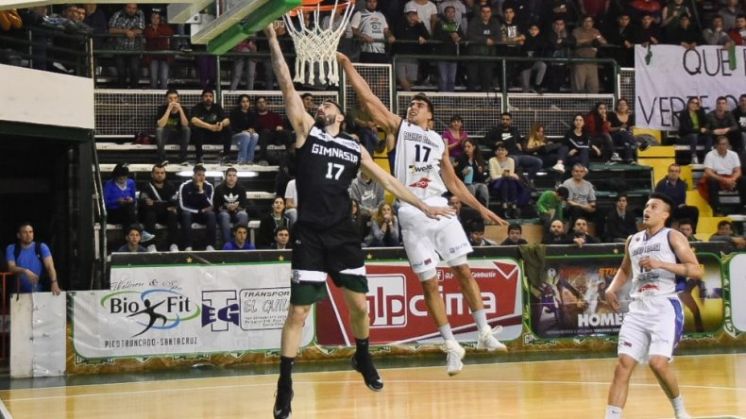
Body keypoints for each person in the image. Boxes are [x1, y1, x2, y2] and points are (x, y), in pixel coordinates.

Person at [264, 24, 453, 419]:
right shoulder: (307, 135)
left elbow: (387, 181)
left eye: (329, 107)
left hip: (343, 234)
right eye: (320, 107)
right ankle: (285, 383)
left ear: (341, 116)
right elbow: (286, 85)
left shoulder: (353, 147)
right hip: (311, 235)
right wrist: (272, 40)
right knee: (297, 313)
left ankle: (362, 357)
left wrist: (426, 206)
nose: (322, 108)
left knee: (361, 310)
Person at [339, 53, 510, 378]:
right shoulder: (399, 128)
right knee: (429, 285)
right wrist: (349, 66)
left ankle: (484, 333)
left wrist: (482, 207)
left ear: (430, 114)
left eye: (419, 104)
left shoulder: (438, 141)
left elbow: (454, 183)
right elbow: (370, 99)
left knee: (464, 273)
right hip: (412, 211)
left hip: (441, 208)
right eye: (411, 103)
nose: (413, 106)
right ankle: (451, 345)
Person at [604, 193, 703, 419]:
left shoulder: (673, 236)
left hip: (664, 306)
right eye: (647, 206)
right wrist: (611, 289)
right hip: (637, 308)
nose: (647, 210)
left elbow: (696, 270)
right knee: (623, 365)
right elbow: (625, 269)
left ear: (665, 215)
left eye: (654, 207)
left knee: (657, 363)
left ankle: (680, 410)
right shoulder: (633, 240)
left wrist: (661, 264)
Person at [484, 112, 543, 182]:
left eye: (507, 119)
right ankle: (519, 180)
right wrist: (495, 143)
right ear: (500, 120)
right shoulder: (494, 130)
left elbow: (520, 140)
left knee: (538, 162)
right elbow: (486, 141)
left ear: (511, 121)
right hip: (506, 156)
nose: (505, 121)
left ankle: (527, 180)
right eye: (503, 119)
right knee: (514, 161)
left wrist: (520, 143)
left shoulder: (514, 130)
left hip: (519, 154)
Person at [6, 223, 62, 295]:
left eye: (30, 232)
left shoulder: (41, 247)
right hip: (18, 294)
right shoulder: (11, 248)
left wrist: (54, 282)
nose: (28, 235)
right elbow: (11, 268)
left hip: (40, 292)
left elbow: (50, 267)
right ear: (18, 235)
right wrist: (25, 271)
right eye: (25, 232)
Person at [139, 163, 179, 252]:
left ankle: (173, 244)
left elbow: (173, 203)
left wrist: (155, 204)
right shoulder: (146, 186)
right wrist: (165, 205)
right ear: (152, 174)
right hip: (151, 214)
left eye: (162, 173)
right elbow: (145, 204)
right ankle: (150, 244)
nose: (160, 175)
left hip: (165, 215)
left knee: (172, 214)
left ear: (165, 174)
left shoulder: (170, 186)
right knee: (150, 214)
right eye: (157, 173)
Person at [701, 136, 746, 215]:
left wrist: (733, 179)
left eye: (725, 144)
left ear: (728, 145)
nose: (723, 146)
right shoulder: (710, 155)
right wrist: (723, 180)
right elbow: (708, 172)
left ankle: (742, 207)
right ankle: (716, 209)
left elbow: (738, 171)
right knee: (711, 181)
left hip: (731, 178)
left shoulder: (733, 154)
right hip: (717, 179)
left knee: (743, 180)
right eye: (721, 144)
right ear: (716, 145)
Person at [178, 164, 216, 251]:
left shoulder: (209, 186)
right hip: (190, 214)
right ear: (193, 176)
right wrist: (199, 211)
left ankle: (210, 246)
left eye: (203, 175)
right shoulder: (184, 186)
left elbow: (210, 205)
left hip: (203, 215)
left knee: (211, 214)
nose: (201, 178)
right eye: (199, 175)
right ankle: (188, 246)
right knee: (186, 214)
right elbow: (182, 206)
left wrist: (201, 191)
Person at [393, 5, 430, 91]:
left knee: (411, 80)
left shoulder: (419, 26)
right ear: (406, 16)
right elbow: (400, 35)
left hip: (413, 56)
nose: (412, 17)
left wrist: (420, 23)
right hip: (400, 56)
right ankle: (410, 97)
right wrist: (417, 38)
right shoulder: (400, 24)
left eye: (414, 15)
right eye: (410, 15)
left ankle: (407, 98)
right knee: (402, 79)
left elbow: (427, 37)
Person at [655, 163, 699, 233]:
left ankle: (691, 232)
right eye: (672, 171)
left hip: (679, 208)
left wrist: (682, 205)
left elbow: (682, 198)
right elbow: (659, 200)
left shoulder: (682, 184)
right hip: (667, 209)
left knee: (694, 210)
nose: (674, 173)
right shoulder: (662, 184)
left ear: (679, 173)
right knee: (667, 213)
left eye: (676, 171)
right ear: (668, 172)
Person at [190, 89, 231, 164]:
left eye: (210, 96)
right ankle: (199, 157)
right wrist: (210, 127)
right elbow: (193, 120)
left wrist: (221, 124)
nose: (208, 98)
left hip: (216, 134)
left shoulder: (217, 107)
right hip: (202, 136)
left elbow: (227, 120)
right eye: (206, 96)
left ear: (213, 98)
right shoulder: (197, 107)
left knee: (227, 129)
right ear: (202, 98)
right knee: (196, 130)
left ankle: (226, 156)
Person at [108, 3, 144, 88]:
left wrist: (132, 33)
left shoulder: (140, 14)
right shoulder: (118, 14)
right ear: (125, 7)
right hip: (119, 48)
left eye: (134, 8)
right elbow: (111, 29)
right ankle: (122, 94)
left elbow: (141, 29)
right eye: (129, 8)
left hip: (134, 49)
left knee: (134, 71)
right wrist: (125, 31)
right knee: (121, 72)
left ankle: (134, 93)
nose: (131, 10)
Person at [466, 5, 500, 91]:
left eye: (488, 12)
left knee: (486, 81)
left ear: (491, 13)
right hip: (474, 56)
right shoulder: (474, 21)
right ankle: (471, 102)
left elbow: (498, 36)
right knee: (472, 81)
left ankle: (485, 102)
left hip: (488, 57)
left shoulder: (495, 22)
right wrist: (485, 40)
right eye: (483, 12)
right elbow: (470, 35)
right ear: (480, 13)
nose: (486, 14)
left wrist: (491, 39)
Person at [571, 15, 607, 94]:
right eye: (586, 21)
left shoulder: (595, 31)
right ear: (582, 22)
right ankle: (578, 104)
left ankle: (593, 104)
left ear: (593, 23)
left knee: (593, 86)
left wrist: (598, 38)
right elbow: (576, 41)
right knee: (578, 86)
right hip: (579, 61)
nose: (588, 23)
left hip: (592, 61)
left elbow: (604, 42)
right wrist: (590, 39)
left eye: (590, 21)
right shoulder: (576, 31)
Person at [214, 167, 249, 245]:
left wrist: (235, 208)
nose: (231, 178)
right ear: (225, 177)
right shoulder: (219, 189)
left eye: (234, 175)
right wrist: (227, 208)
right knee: (225, 215)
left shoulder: (241, 189)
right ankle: (228, 245)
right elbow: (216, 206)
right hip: (223, 214)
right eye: (229, 175)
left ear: (237, 178)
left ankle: (241, 242)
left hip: (237, 212)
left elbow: (243, 206)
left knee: (243, 214)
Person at [432, 5, 463, 92]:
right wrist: (451, 36)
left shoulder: (456, 24)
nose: (450, 14)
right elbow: (437, 37)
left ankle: (450, 100)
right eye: (448, 12)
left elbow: (462, 36)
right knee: (443, 79)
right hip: (442, 55)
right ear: (445, 13)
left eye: (452, 12)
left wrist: (458, 38)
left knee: (452, 80)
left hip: (453, 56)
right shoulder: (440, 24)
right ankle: (443, 100)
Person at [487, 141, 522, 218]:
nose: (501, 152)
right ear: (495, 152)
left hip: (509, 184)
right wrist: (504, 175)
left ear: (506, 152)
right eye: (498, 150)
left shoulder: (511, 160)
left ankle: (508, 207)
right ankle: (510, 206)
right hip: (496, 184)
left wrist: (508, 175)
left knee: (509, 181)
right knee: (505, 181)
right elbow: (493, 176)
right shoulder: (492, 160)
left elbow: (511, 174)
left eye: (503, 150)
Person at [155, 89, 190, 164]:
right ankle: (162, 159)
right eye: (170, 98)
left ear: (178, 99)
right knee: (159, 130)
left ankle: (183, 158)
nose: (173, 100)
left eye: (175, 98)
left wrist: (180, 110)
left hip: (179, 136)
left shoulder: (184, 109)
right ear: (166, 99)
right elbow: (160, 125)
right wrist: (168, 110)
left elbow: (185, 124)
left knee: (187, 129)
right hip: (166, 137)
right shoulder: (162, 109)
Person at [142, 8, 173, 89]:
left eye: (157, 18)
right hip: (152, 57)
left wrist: (156, 33)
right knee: (153, 78)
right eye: (153, 18)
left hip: (164, 57)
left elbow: (169, 33)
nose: (155, 20)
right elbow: (149, 34)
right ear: (150, 19)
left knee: (164, 78)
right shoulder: (147, 28)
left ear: (160, 19)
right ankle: (153, 99)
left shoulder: (165, 27)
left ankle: (164, 98)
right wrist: (158, 34)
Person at [456, 138, 490, 208]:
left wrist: (481, 172)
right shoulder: (460, 158)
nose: (466, 149)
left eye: (468, 147)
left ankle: (485, 209)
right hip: (463, 183)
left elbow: (482, 178)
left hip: (476, 182)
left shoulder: (479, 159)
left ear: (474, 147)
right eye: (465, 147)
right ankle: (470, 209)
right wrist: (462, 173)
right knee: (471, 187)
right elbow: (456, 175)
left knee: (483, 187)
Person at [677, 96, 710, 164]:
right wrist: (699, 130)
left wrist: (701, 108)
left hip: (697, 137)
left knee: (709, 137)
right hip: (685, 137)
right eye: (693, 102)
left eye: (696, 103)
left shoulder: (699, 112)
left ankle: (706, 157)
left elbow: (706, 122)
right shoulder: (683, 114)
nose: (694, 104)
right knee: (693, 136)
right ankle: (694, 156)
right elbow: (685, 129)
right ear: (688, 103)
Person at [229, 94, 259, 165]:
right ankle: (241, 159)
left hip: (247, 135)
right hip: (235, 135)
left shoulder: (252, 113)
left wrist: (252, 129)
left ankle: (249, 160)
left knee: (255, 135)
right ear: (240, 103)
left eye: (247, 101)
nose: (245, 103)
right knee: (246, 135)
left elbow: (255, 125)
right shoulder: (234, 113)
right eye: (243, 102)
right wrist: (243, 131)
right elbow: (232, 127)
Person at [608, 98, 638, 164]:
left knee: (627, 142)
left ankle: (629, 159)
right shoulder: (612, 115)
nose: (622, 106)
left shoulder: (630, 116)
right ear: (617, 106)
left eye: (624, 104)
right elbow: (608, 128)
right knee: (623, 133)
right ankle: (637, 143)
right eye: (620, 104)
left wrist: (632, 128)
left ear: (627, 106)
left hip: (627, 138)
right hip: (614, 137)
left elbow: (631, 128)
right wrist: (619, 128)